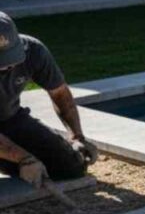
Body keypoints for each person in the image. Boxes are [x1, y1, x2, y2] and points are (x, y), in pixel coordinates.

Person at [0, 12, 98, 188]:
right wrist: (24, 158)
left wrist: (77, 137)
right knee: (27, 163)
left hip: (11, 118)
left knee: (71, 167)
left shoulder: (33, 51)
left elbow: (60, 93)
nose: (7, 66)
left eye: (9, 58)